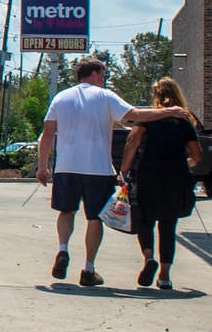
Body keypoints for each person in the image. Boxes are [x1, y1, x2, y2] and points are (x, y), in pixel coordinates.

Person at [35, 58, 191, 286]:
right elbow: (136, 115)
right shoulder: (105, 96)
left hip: (66, 167)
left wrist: (42, 166)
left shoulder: (61, 97)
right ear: (96, 74)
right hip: (98, 169)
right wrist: (170, 111)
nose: (104, 79)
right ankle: (88, 269)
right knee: (94, 218)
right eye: (104, 75)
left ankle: (63, 249)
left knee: (66, 212)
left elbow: (48, 133)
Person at [119, 77, 203, 289]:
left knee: (145, 220)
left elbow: (133, 142)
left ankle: (149, 258)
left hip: (148, 174)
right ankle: (164, 276)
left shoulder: (148, 119)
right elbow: (197, 155)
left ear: (157, 97)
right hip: (176, 176)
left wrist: (125, 169)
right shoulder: (184, 121)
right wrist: (185, 165)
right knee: (168, 225)